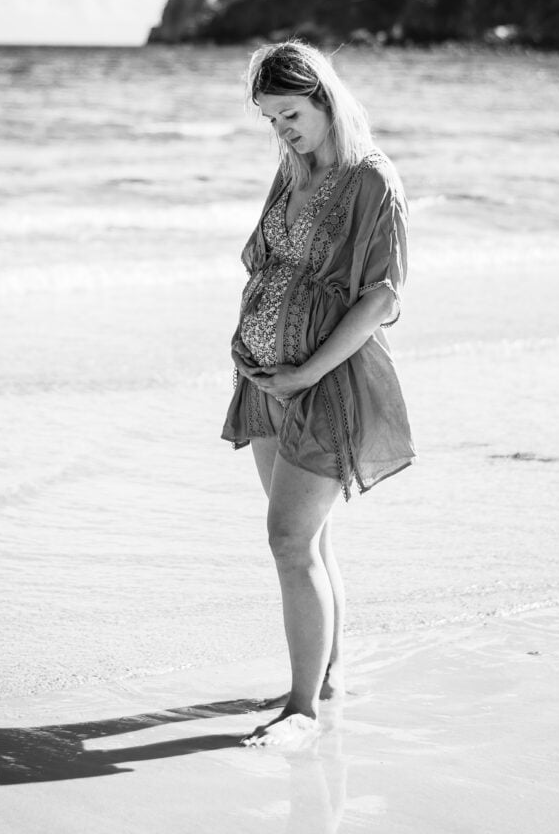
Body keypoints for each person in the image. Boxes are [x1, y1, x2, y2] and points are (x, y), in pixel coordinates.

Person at [221, 40, 415, 748]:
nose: (282, 131)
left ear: (326, 98)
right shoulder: (290, 169)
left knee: (287, 539)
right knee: (310, 539)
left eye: (291, 115)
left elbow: (382, 299)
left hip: (327, 386)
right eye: (271, 119)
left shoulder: (372, 181)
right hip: (265, 382)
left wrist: (304, 371)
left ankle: (301, 710)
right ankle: (326, 679)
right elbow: (272, 266)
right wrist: (257, 353)